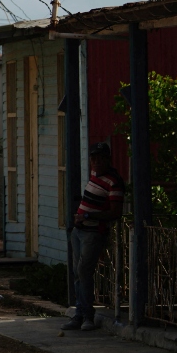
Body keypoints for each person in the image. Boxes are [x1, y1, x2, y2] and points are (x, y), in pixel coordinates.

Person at [63, 142, 125, 331]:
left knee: (84, 271)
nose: (96, 162)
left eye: (100, 158)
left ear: (108, 159)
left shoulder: (114, 181)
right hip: (79, 230)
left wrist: (89, 216)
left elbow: (115, 213)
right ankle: (79, 314)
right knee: (77, 273)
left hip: (94, 232)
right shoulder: (94, 175)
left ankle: (87, 316)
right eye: (93, 158)